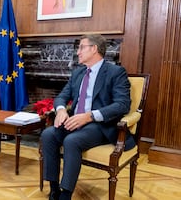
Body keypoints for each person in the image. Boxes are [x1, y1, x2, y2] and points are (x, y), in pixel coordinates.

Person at [41, 34, 133, 200]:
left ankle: (66, 194)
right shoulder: (78, 73)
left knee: (71, 141)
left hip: (100, 125)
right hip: (74, 120)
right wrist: (61, 110)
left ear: (94, 49)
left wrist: (90, 116)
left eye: (81, 47)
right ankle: (54, 189)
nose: (78, 52)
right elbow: (62, 96)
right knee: (48, 135)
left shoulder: (115, 72)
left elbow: (122, 104)